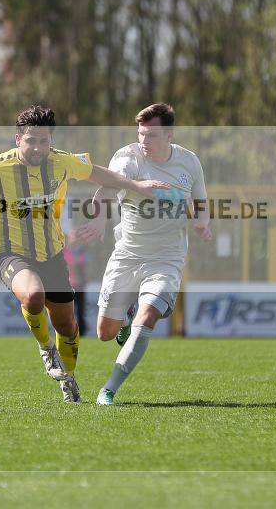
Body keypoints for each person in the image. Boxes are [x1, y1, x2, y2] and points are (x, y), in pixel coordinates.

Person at [0, 105, 170, 403]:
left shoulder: (63, 162)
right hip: (11, 254)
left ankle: (68, 380)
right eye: (31, 140)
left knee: (69, 326)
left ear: (51, 141)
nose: (37, 147)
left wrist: (137, 184)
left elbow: (101, 175)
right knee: (34, 295)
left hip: (52, 255)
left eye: (43, 141)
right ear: (17, 139)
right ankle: (46, 348)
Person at [74, 103, 212, 406]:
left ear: (169, 135)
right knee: (105, 333)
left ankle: (109, 388)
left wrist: (202, 223)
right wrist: (98, 217)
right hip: (128, 254)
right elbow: (107, 189)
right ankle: (123, 320)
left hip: (167, 257)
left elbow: (200, 200)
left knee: (147, 315)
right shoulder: (127, 157)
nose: (143, 141)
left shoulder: (189, 163)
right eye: (140, 134)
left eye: (150, 135)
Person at [62, 243, 89, 336]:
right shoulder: (64, 252)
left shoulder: (81, 252)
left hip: (79, 286)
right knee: (68, 310)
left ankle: (81, 332)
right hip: (67, 286)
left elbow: (83, 267)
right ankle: (69, 330)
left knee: (80, 310)